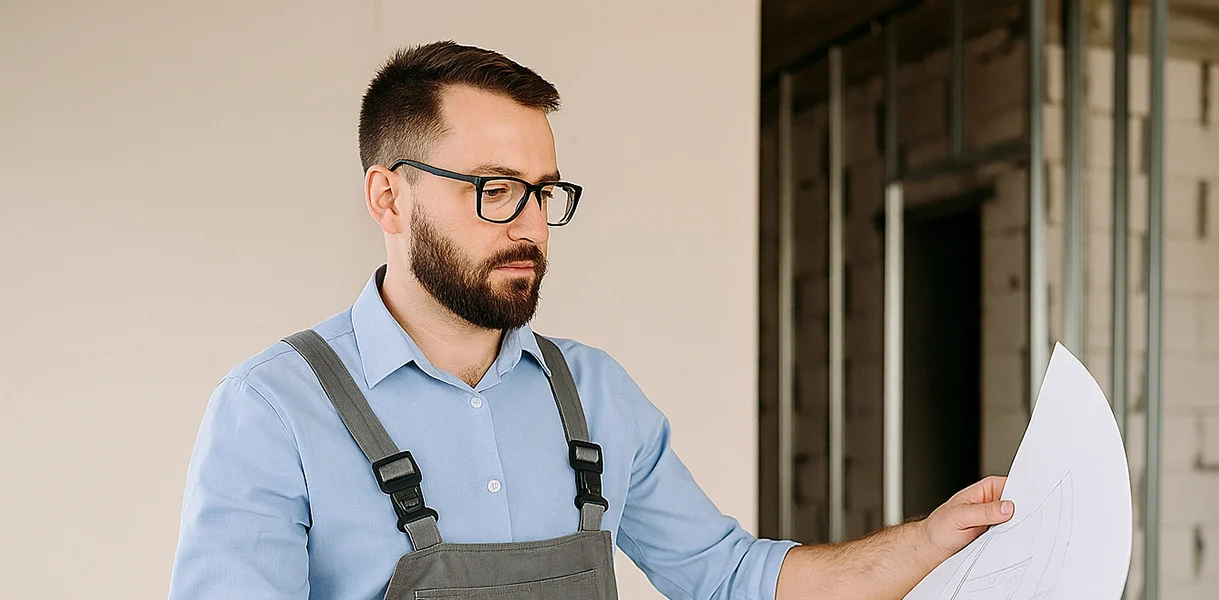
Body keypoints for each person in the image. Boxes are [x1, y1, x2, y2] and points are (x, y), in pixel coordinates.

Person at [168, 41, 1013, 600]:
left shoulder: (595, 396)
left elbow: (729, 577)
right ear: (389, 196)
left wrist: (931, 541)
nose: (530, 225)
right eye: (493, 189)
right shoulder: (273, 411)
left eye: (544, 192)